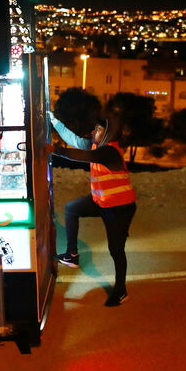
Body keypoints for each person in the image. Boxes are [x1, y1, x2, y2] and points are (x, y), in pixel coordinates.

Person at [51, 95, 137, 307]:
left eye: (97, 129)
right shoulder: (94, 146)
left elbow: (81, 157)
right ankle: (72, 255)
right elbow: (73, 140)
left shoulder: (109, 152)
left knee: (116, 250)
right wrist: (53, 121)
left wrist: (55, 151)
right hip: (101, 202)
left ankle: (121, 291)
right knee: (72, 209)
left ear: (107, 133)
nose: (92, 132)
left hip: (120, 208)